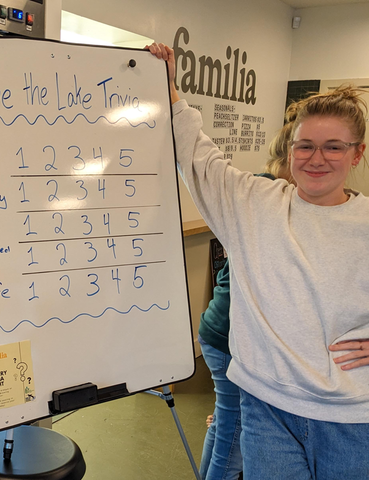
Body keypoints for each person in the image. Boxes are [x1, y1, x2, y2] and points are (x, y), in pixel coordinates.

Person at [148, 42, 369, 479]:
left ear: (357, 154)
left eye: (333, 147)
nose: (316, 158)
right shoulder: (253, 203)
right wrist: (167, 88)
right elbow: (198, 156)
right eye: (305, 146)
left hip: (351, 416)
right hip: (266, 408)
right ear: (290, 151)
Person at [198, 105, 297, 480]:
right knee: (234, 439)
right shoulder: (265, 195)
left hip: (220, 331)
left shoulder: (275, 195)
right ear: (290, 156)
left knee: (225, 425)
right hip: (229, 336)